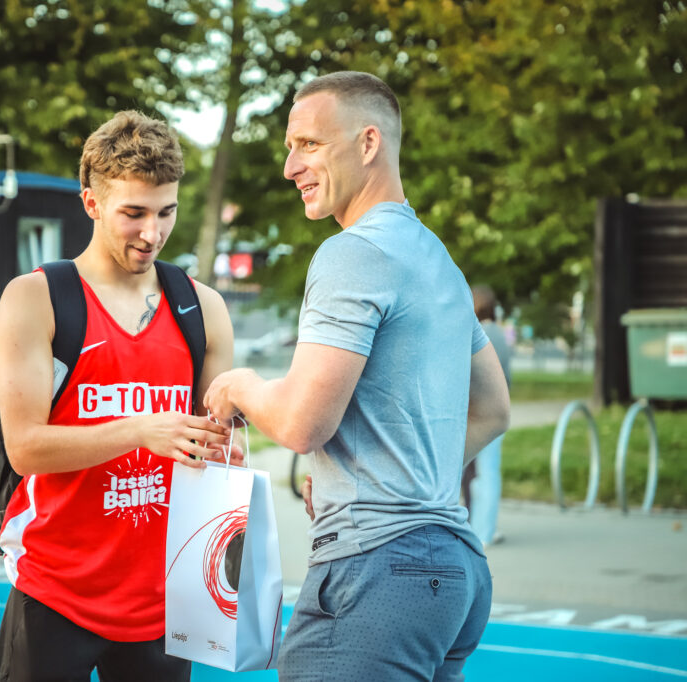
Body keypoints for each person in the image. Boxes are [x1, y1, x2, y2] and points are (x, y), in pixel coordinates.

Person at [204, 71, 510, 680]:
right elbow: (494, 409)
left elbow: (301, 425)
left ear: (368, 143)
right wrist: (392, 474)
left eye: (309, 145)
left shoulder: (351, 253)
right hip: (453, 570)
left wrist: (240, 385)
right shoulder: (438, 259)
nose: (290, 167)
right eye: (289, 148)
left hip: (378, 572)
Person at [0, 110, 236, 681]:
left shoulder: (203, 308)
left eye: (166, 212)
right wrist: (142, 429)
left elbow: (214, 448)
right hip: (55, 591)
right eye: (134, 213)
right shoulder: (36, 298)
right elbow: (24, 449)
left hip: (163, 600)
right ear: (92, 203)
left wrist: (228, 447)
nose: (152, 233)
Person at [466, 285, 513, 546]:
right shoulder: (500, 333)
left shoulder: (479, 333)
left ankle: (480, 531)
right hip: (498, 409)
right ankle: (486, 528)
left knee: (478, 473)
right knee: (489, 472)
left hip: (478, 411)